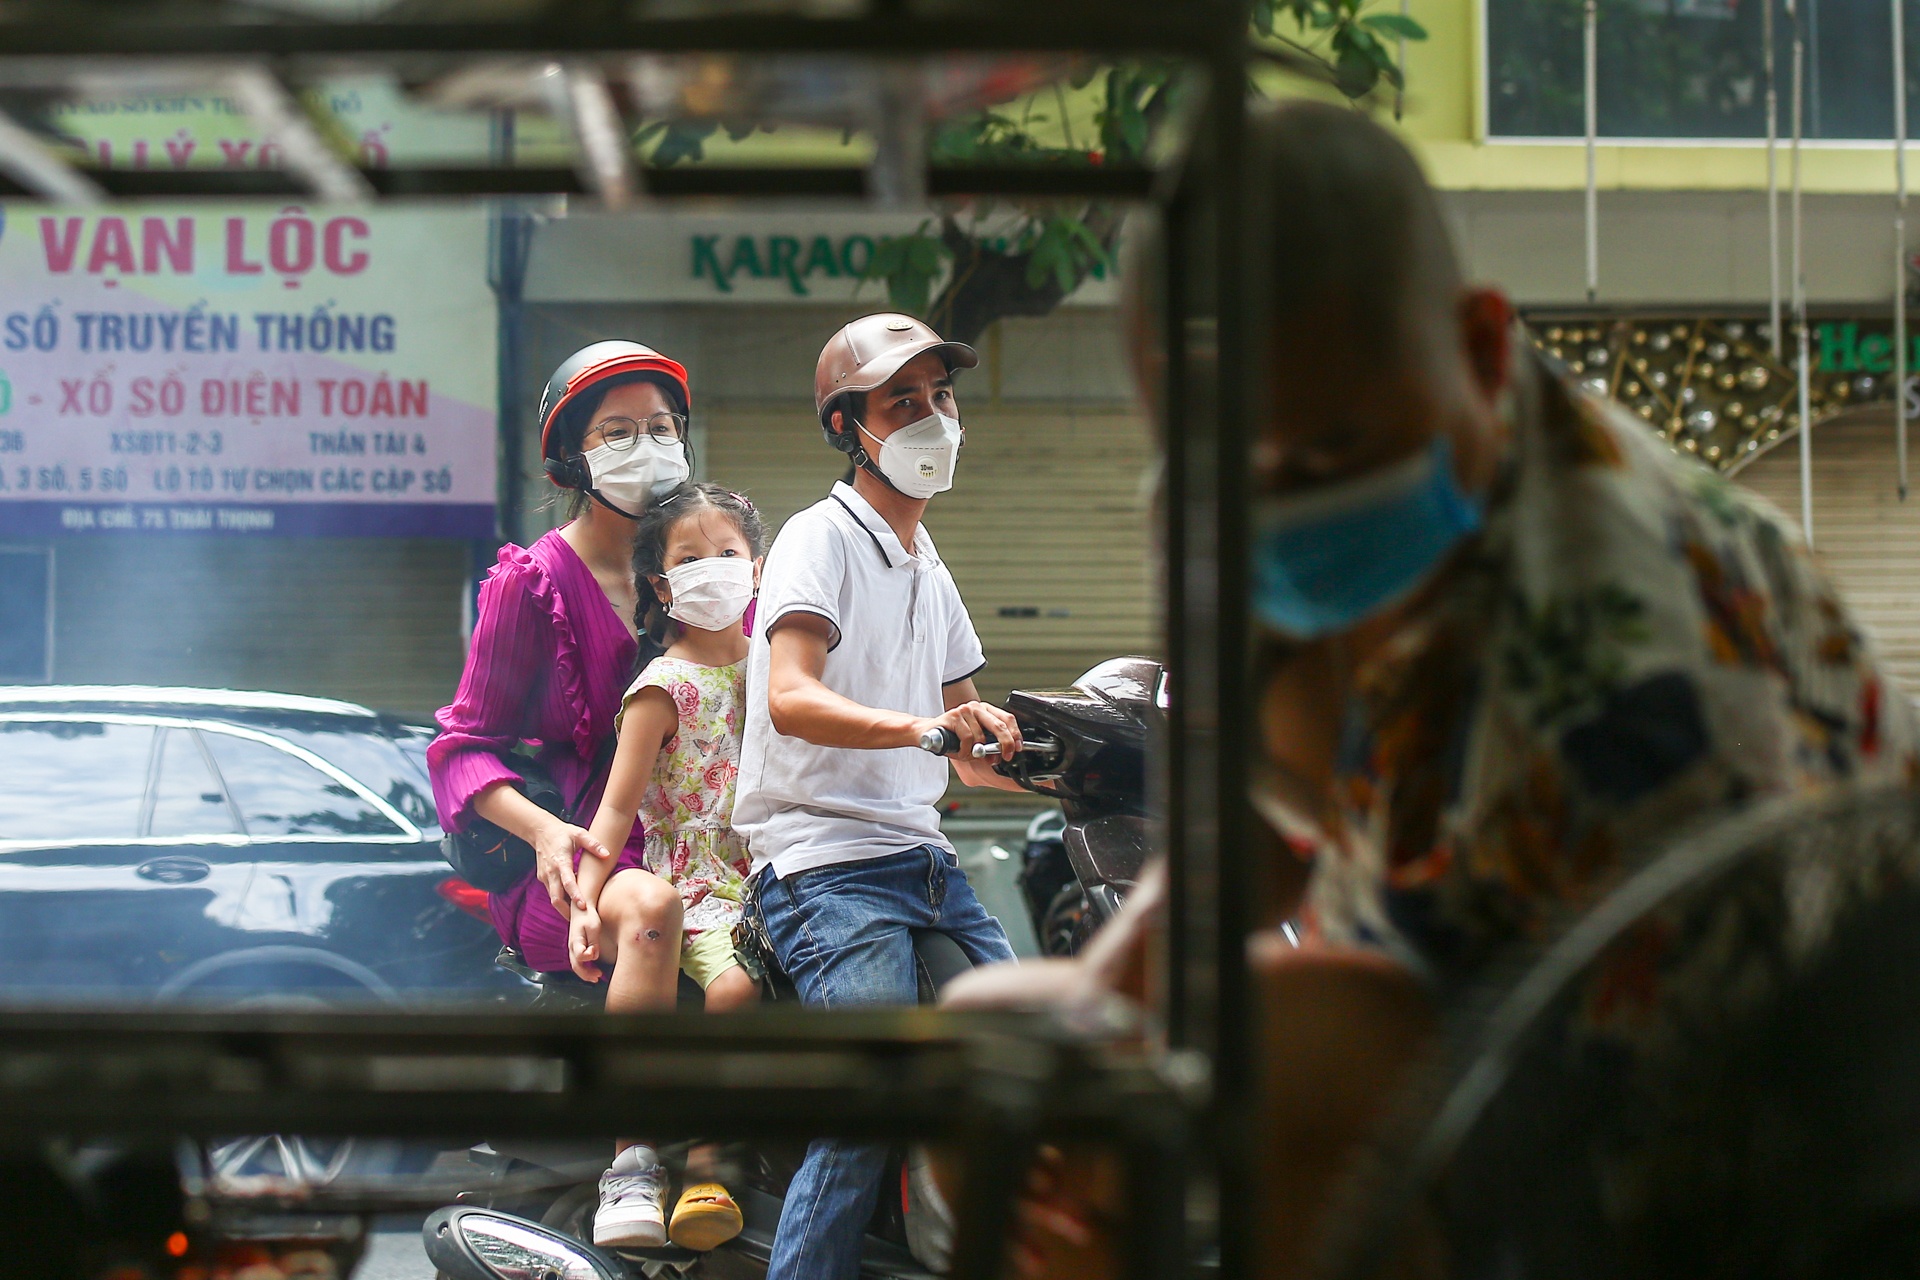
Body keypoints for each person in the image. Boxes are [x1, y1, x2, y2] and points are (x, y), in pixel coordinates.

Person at [949, 99, 1920, 1279]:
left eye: (1332, 456)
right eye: (1232, 462)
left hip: (1729, 1140)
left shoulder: (1614, 680)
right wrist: (1101, 1012)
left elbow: (1560, 1098)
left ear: (1480, 346)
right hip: (1474, 1021)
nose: (1287, 506)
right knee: (992, 1062)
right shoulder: (1232, 502)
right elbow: (1245, 839)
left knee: (1297, 1056)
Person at [732, 313, 1028, 1280]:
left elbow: (964, 738)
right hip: (826, 868)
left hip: (925, 866)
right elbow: (791, 696)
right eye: (902, 403)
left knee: (1038, 1065)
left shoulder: (927, 564)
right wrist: (922, 731)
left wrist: (1033, 757)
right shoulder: (819, 539)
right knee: (874, 1099)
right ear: (846, 427)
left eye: (940, 397)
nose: (932, 418)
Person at [427, 340, 696, 1248]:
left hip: (705, 845)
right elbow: (463, 747)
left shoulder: (707, 570)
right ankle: (633, 1166)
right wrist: (549, 836)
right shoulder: (531, 583)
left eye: (661, 428)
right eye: (617, 432)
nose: (647, 447)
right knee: (651, 907)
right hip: (585, 868)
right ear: (573, 460)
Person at [570, 482, 767, 1252]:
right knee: (734, 983)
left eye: (730, 553)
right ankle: (655, 1162)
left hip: (769, 874)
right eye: (692, 558)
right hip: (690, 879)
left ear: (759, 568)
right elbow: (615, 813)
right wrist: (586, 903)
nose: (715, 569)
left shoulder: (781, 672)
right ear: (662, 583)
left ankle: (716, 1165)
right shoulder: (661, 688)